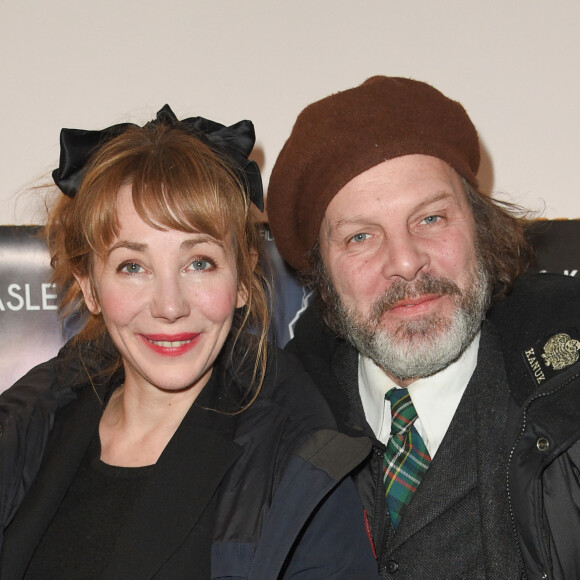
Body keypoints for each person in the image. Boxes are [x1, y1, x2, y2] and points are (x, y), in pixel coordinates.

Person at [0, 106, 379, 579]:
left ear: (242, 278)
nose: (170, 305)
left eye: (198, 262)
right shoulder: (26, 427)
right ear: (90, 286)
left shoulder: (304, 470)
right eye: (132, 267)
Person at [266, 76, 580, 579]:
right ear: (321, 278)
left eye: (430, 219)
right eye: (361, 236)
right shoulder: (273, 433)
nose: (407, 262)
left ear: (478, 227)